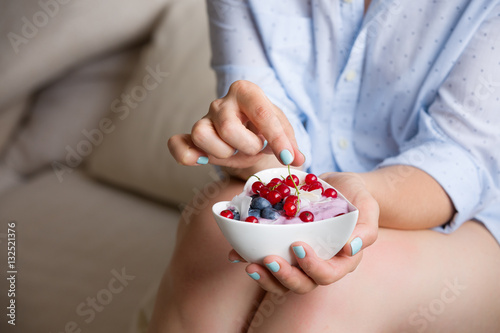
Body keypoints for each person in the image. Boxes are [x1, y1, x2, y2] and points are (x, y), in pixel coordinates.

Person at [149, 0, 500, 331]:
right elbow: (272, 136)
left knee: (328, 296)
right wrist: (250, 146)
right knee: (208, 235)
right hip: (315, 187)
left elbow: (458, 165)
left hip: (468, 217)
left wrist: (343, 198)